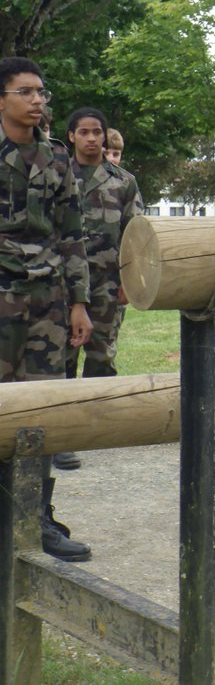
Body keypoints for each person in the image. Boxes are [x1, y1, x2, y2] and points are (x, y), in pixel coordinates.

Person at [0, 56, 93, 561]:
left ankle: (36, 519)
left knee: (40, 409)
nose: (37, 100)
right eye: (25, 92)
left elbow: (71, 234)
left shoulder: (57, 159)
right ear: (2, 100)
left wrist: (78, 303)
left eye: (42, 92)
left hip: (47, 304)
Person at [62, 108, 142, 389]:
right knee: (61, 357)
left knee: (102, 357)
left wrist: (128, 280)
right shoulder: (57, 176)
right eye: (83, 132)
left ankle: (100, 421)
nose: (91, 139)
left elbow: (135, 234)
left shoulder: (123, 181)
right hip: (64, 282)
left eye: (97, 132)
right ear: (72, 136)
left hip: (107, 282)